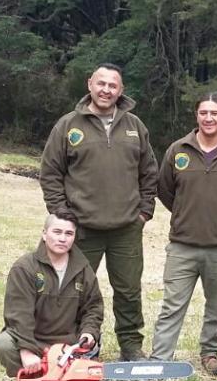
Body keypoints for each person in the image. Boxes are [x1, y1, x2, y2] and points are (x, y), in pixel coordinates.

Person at [40, 63, 157, 361]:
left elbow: (149, 173)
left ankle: (130, 347)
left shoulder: (135, 127)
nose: (106, 90)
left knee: (129, 291)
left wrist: (144, 211)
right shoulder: (68, 125)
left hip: (126, 229)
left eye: (113, 85)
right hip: (83, 229)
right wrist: (63, 215)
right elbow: (51, 172)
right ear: (90, 83)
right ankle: (82, 346)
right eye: (101, 83)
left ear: (121, 90)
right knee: (76, 290)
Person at [151, 92, 217, 375]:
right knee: (172, 305)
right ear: (196, 115)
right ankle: (160, 358)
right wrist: (185, 214)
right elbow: (164, 190)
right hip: (182, 246)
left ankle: (211, 354)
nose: (208, 118)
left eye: (214, 113)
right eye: (203, 113)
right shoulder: (178, 150)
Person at [0, 210, 103, 381]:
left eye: (68, 234)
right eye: (57, 232)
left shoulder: (83, 269)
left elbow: (93, 307)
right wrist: (28, 350)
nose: (62, 238)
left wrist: (89, 333)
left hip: (69, 344)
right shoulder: (24, 268)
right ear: (44, 234)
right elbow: (19, 315)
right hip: (35, 340)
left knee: (88, 355)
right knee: (4, 344)